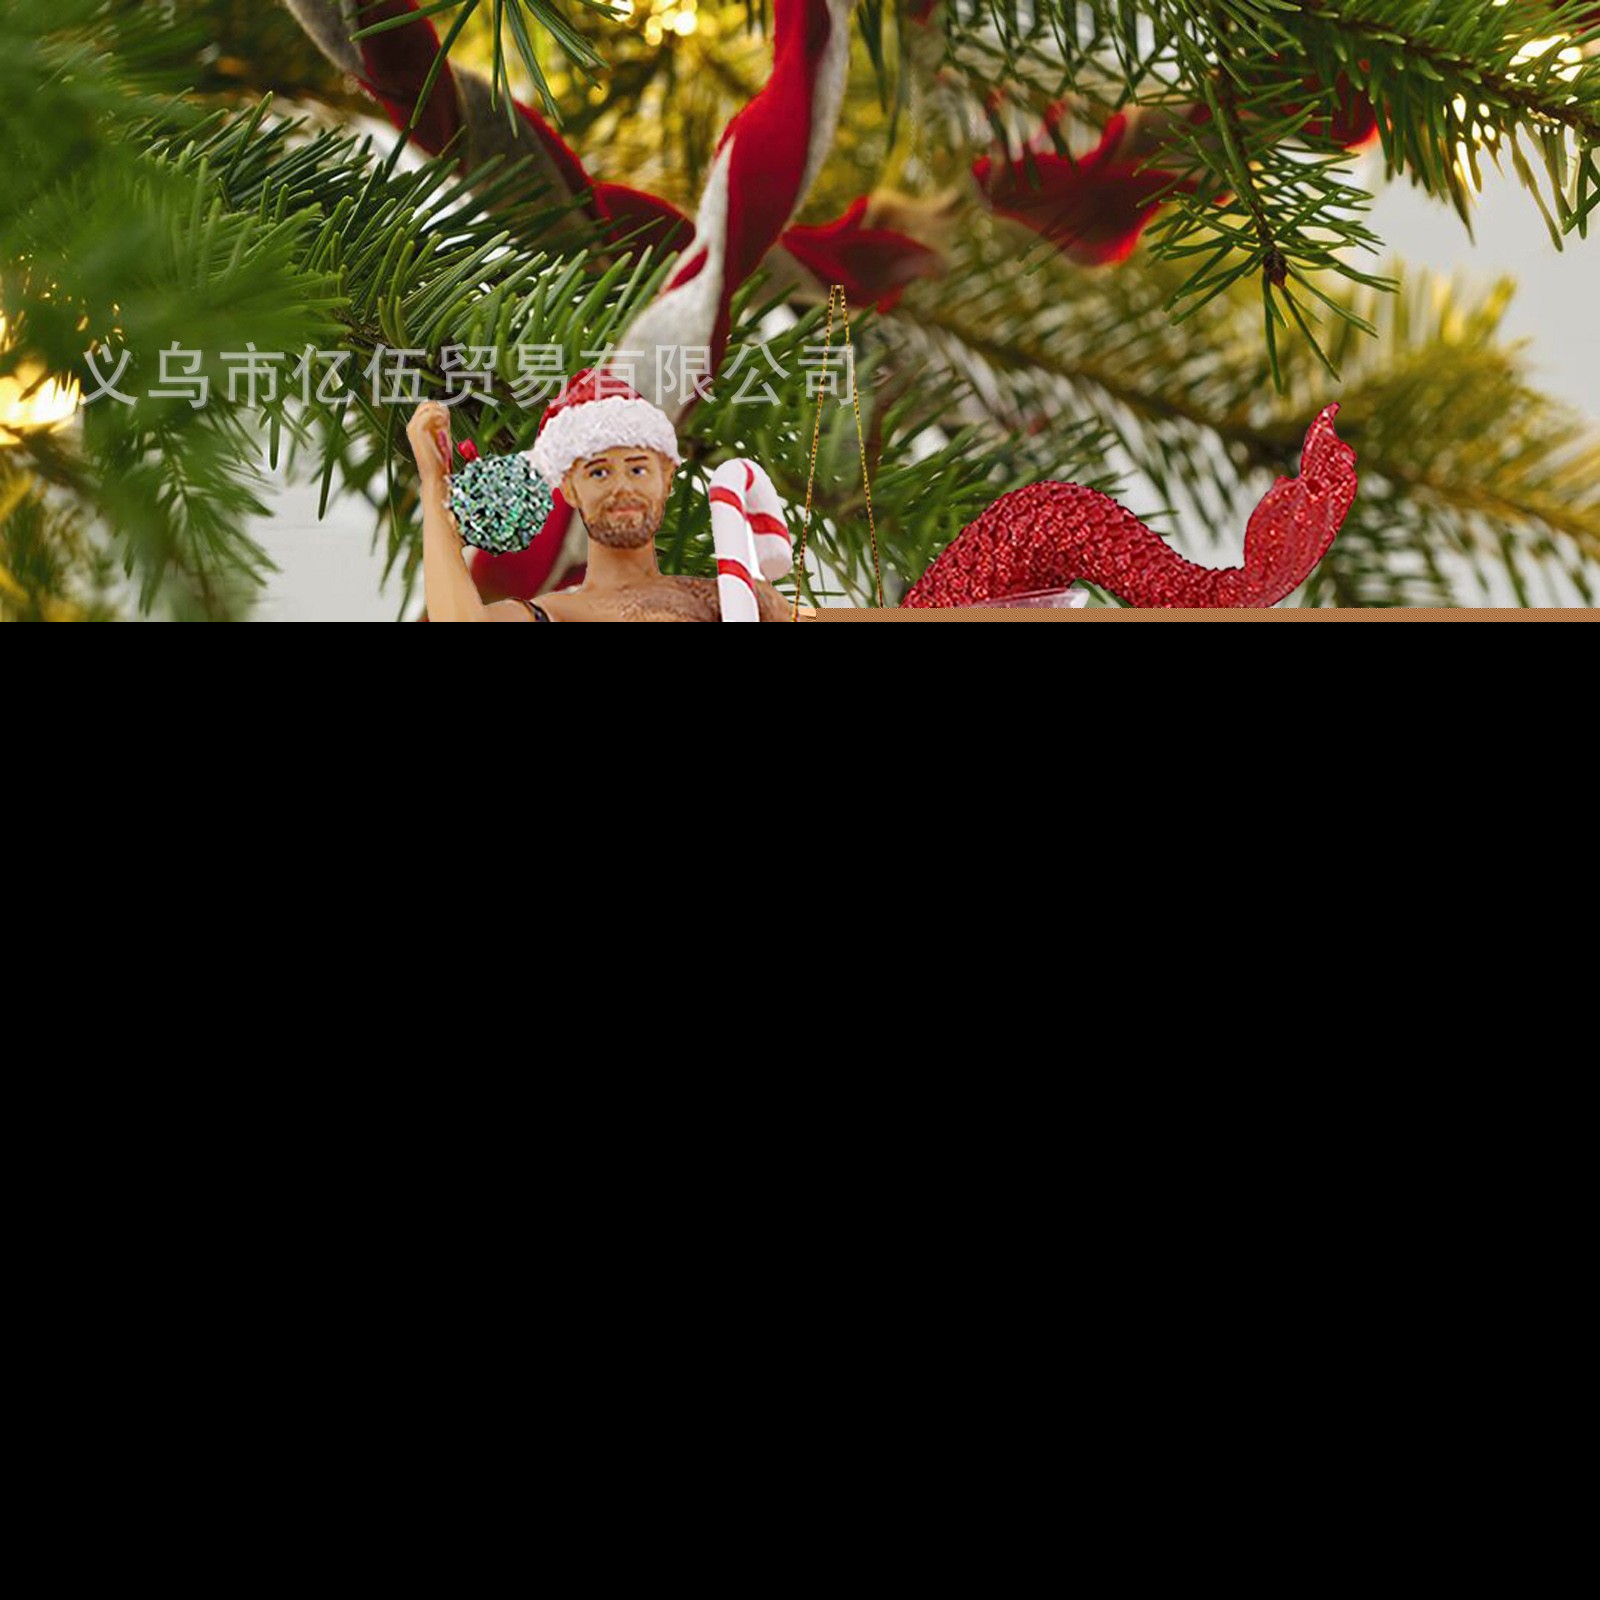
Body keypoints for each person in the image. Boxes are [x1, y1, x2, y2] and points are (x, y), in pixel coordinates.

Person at [408, 369, 792, 622]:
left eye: (638, 469)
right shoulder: (555, 614)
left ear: (667, 478)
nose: (622, 487)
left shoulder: (722, 600)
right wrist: (435, 491)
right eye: (599, 472)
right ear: (570, 488)